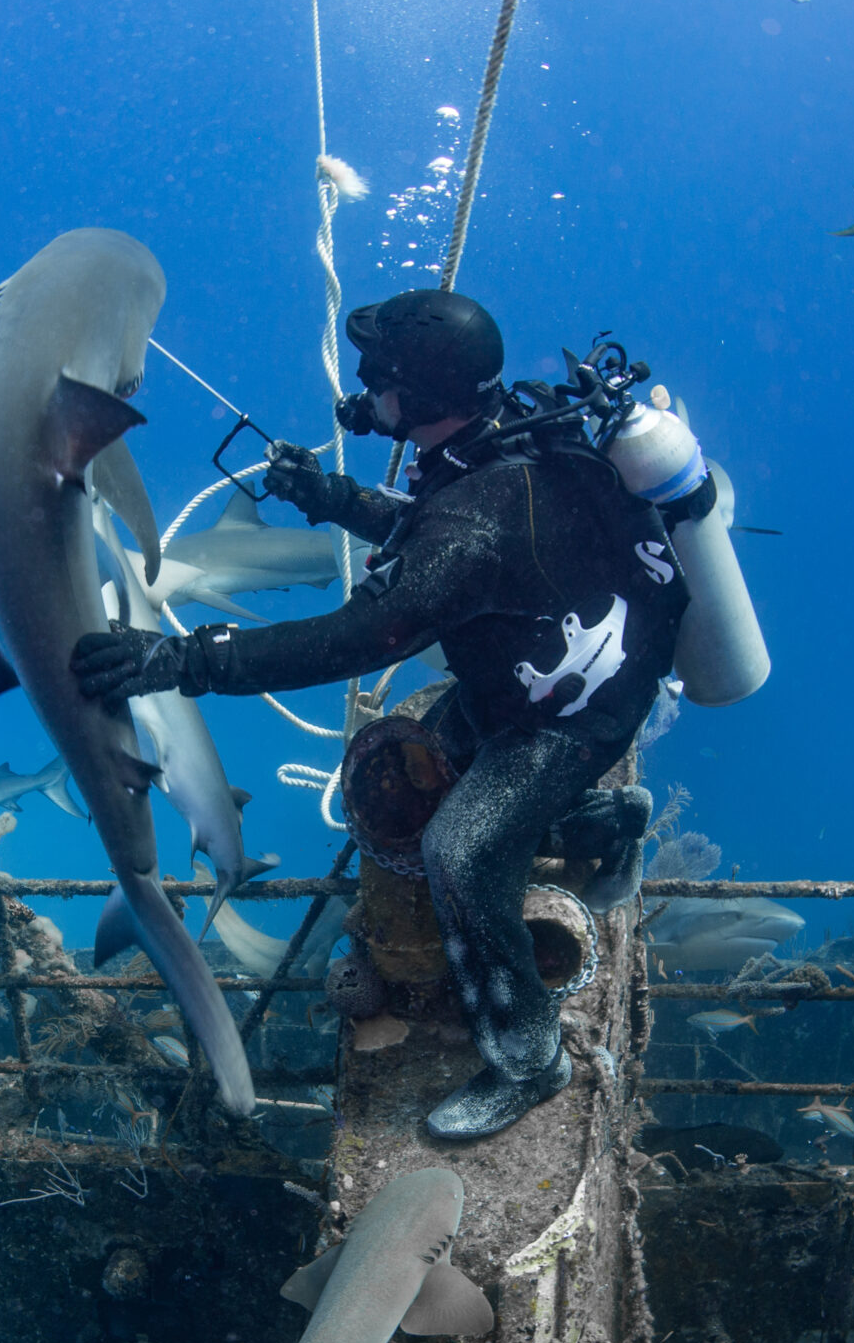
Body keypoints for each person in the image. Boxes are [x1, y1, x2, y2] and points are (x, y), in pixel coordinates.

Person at [73, 290, 698, 1139]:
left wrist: (182, 660)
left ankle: (528, 1057)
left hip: (571, 713)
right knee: (408, 766)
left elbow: (359, 635)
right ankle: (603, 822)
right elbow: (431, 532)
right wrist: (329, 496)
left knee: (460, 850)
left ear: (427, 395)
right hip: (556, 659)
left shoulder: (474, 518)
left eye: (380, 379)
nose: (366, 391)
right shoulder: (505, 431)